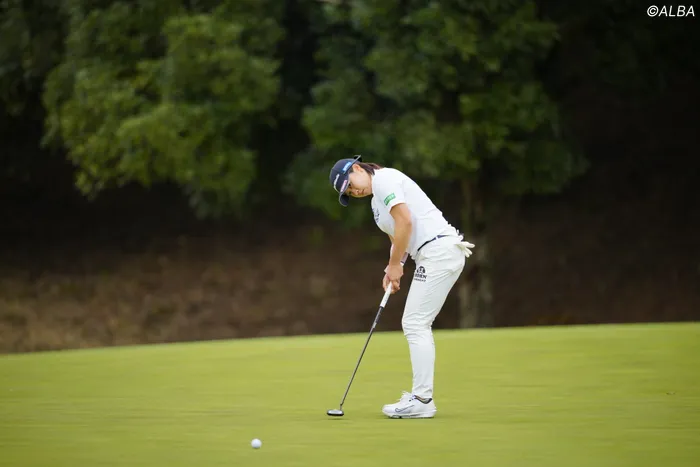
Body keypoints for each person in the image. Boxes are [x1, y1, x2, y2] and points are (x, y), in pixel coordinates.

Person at [328, 155, 475, 419]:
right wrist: (394, 267)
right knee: (415, 322)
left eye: (350, 185)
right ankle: (421, 398)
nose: (353, 192)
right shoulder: (376, 204)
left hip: (439, 250)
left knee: (415, 323)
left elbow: (406, 221)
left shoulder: (385, 179)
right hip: (430, 254)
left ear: (357, 168)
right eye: (348, 193)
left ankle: (422, 400)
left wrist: (396, 265)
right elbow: (398, 237)